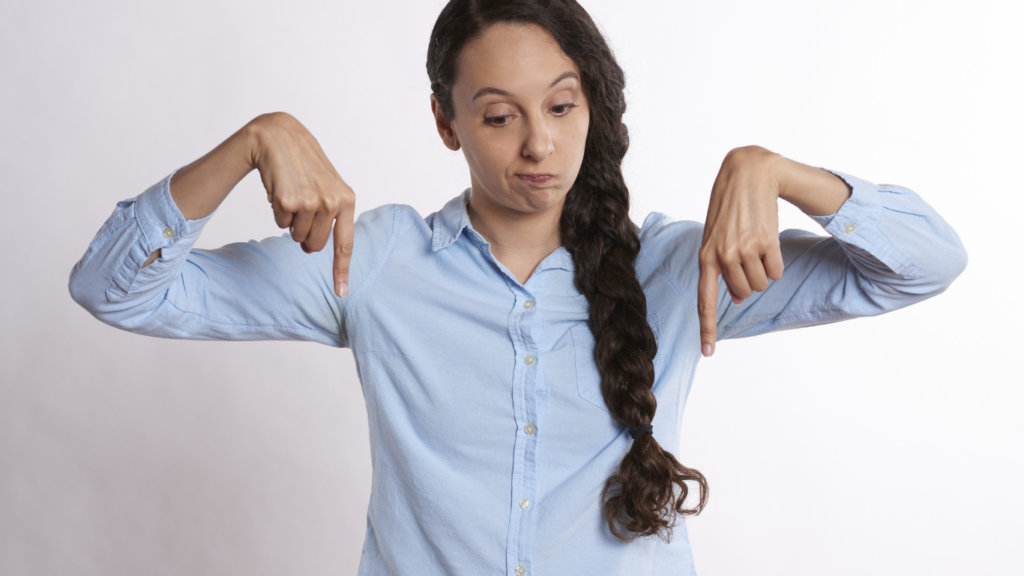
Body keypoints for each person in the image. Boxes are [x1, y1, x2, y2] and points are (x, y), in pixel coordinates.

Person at [67, 0, 968, 574]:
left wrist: (774, 170)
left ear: (593, 109)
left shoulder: (679, 270)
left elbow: (927, 263)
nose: (538, 145)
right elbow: (116, 289)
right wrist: (251, 140)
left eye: (562, 107)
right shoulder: (372, 264)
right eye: (498, 116)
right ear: (445, 122)